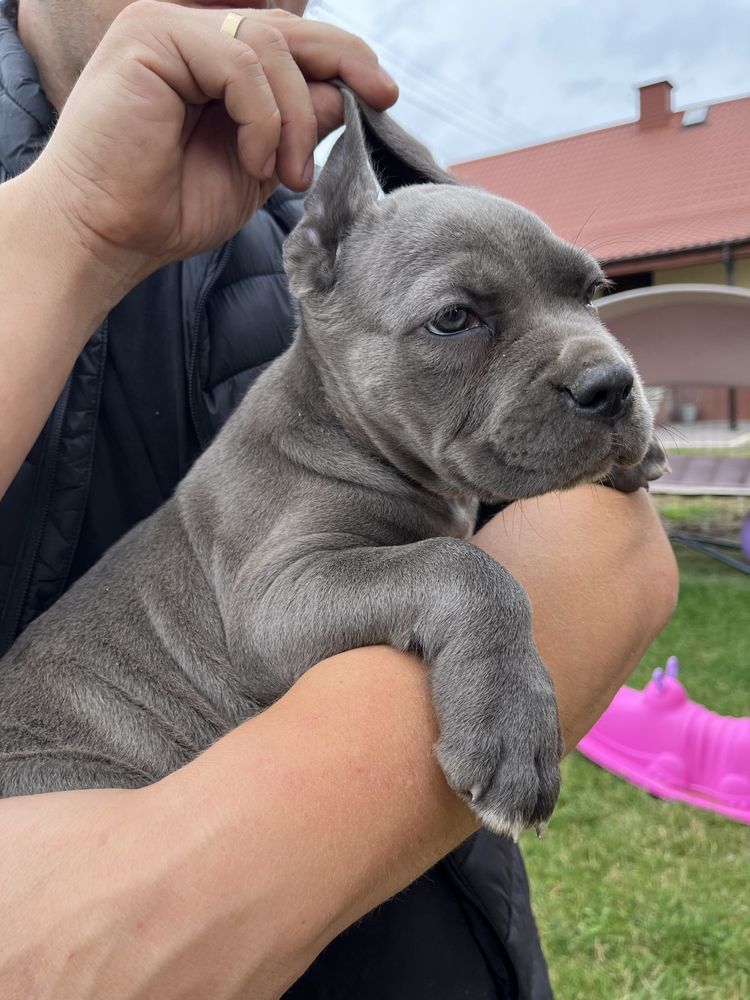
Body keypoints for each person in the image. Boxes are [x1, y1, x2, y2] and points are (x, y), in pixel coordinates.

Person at [0, 1, 679, 997]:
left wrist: (211, 875)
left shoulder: (343, 231)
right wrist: (72, 223)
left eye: (580, 296)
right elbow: (280, 611)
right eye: (459, 318)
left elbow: (614, 550)